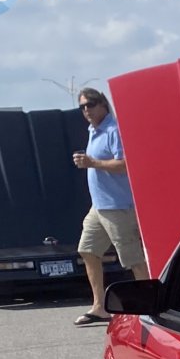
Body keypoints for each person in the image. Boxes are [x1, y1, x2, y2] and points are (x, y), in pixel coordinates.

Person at [71, 88, 149, 326]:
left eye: (91, 104)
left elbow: (126, 164)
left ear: (103, 104)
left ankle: (148, 306)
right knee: (87, 250)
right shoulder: (94, 130)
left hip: (118, 207)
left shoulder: (113, 130)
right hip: (99, 207)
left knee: (132, 258)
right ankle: (99, 307)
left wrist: (92, 162)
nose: (87, 110)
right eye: (83, 107)